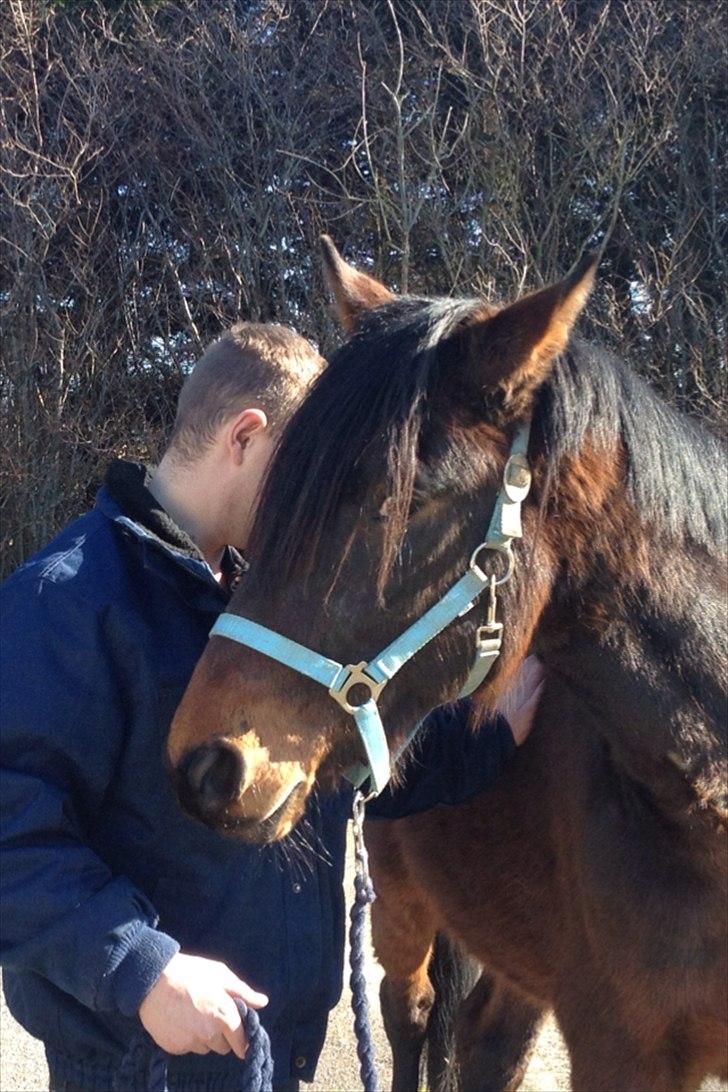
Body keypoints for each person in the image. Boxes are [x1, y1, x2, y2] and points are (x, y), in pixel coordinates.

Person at [0, 322, 543, 1092]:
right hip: (137, 1067)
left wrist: (492, 731)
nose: (322, 507)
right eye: (308, 473)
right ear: (245, 438)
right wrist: (141, 969)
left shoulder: (264, 614)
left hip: (269, 1055)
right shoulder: (66, 601)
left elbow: (346, 766)